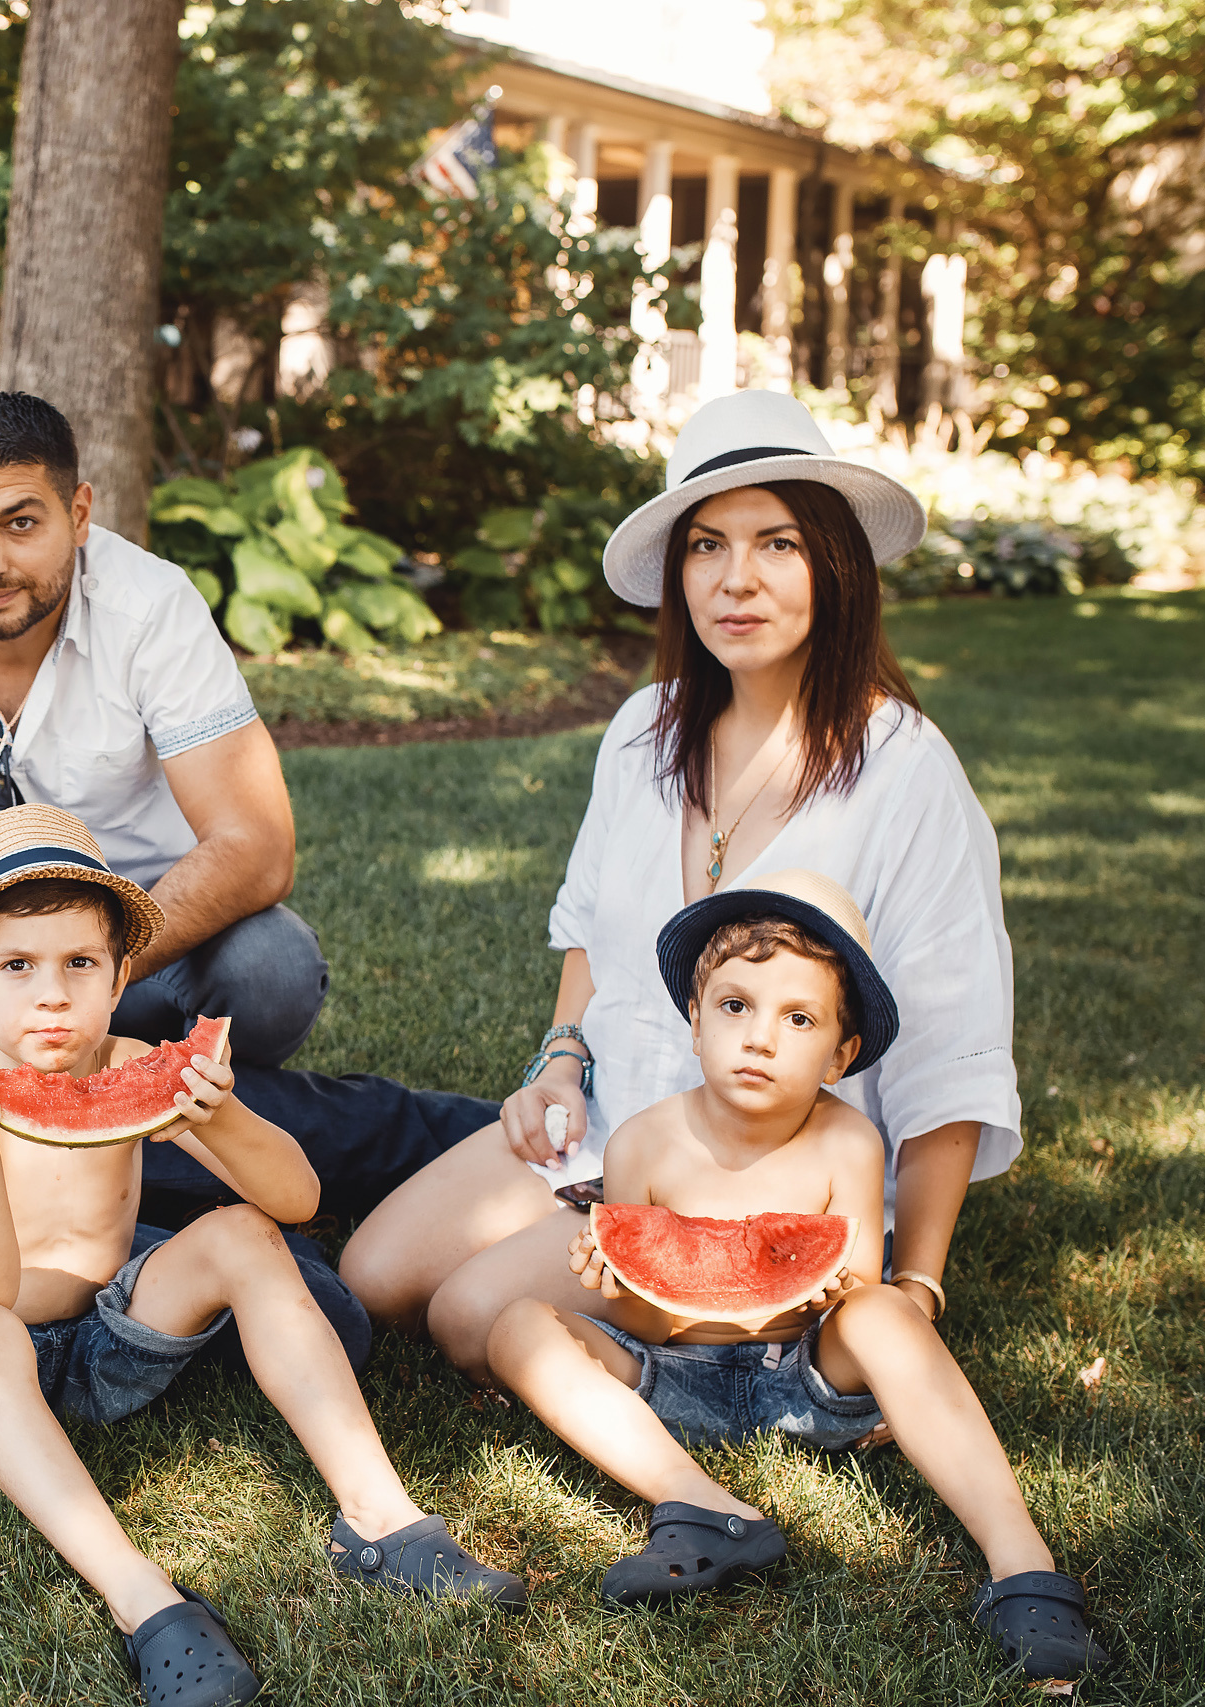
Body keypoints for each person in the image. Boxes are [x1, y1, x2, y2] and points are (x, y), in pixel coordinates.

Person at [342, 389, 1024, 1386]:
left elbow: (949, 1053)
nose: (734, 580)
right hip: (615, 1129)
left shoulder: (903, 770)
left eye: (776, 543)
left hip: (761, 1165)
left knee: (468, 1316)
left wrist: (911, 1289)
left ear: (832, 565)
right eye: (705, 546)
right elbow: (590, 931)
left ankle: (709, 1350)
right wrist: (559, 1064)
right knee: (372, 1274)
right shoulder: (641, 732)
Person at [0, 389, 495, 1233]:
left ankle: (70, 1083)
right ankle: (114, 1098)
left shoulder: (154, 607)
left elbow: (256, 844)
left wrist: (84, 964)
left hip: (144, 940)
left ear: (79, 511)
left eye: (20, 523)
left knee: (273, 969)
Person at [0, 807, 524, 1707]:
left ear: (119, 976)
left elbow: (298, 1200)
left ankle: (382, 1516)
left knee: (244, 1232)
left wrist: (217, 1114)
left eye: (80, 964)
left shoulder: (138, 1060)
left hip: (104, 1336)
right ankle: (143, 1598)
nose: (53, 994)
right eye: (17, 966)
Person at [486, 874, 1104, 1679]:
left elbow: (856, 1294)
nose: (760, 1038)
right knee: (519, 1327)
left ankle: (1022, 1558)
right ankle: (702, 1504)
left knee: (883, 1312)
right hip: (673, 1376)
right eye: (735, 1006)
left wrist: (835, 1292)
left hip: (805, 1380)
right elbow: (656, 1322)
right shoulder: (641, 1143)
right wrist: (623, 1282)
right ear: (695, 1020)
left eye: (799, 1018)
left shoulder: (849, 1144)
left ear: (841, 1054)